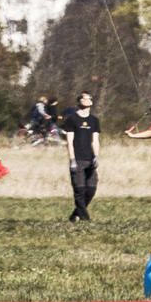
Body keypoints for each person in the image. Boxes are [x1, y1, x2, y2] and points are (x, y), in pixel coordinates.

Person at [60, 90, 100, 222]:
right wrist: (72, 159)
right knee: (79, 190)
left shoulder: (94, 120)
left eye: (89, 98)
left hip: (90, 159)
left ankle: (75, 215)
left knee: (91, 189)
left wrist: (96, 156)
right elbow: (69, 141)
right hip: (78, 159)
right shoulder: (72, 119)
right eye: (84, 98)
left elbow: (95, 140)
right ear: (79, 101)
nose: (87, 100)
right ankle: (85, 219)